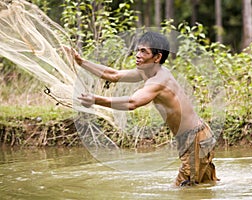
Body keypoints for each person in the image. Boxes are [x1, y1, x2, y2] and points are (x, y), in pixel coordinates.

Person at [66, 31, 218, 186]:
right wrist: (81, 62)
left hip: (195, 140)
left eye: (144, 51)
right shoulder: (148, 72)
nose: (137, 55)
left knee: (182, 190)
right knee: (205, 187)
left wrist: (96, 100)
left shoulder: (159, 80)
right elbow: (114, 74)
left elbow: (133, 102)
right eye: (138, 50)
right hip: (198, 136)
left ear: (157, 57)